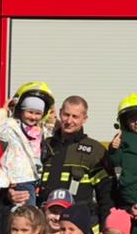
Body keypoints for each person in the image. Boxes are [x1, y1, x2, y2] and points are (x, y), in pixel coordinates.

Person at [38, 95, 113, 225]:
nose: (69, 121)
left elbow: (106, 195)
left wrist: (106, 226)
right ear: (60, 113)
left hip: (78, 224)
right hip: (46, 223)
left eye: (75, 116)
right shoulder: (45, 145)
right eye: (66, 115)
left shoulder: (95, 150)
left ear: (84, 119)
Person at [0, 84, 56, 210]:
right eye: (29, 112)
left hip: (38, 178)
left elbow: (53, 136)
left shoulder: (42, 130)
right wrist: (3, 111)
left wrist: (51, 120)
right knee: (28, 214)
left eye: (38, 113)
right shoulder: (12, 128)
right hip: (21, 179)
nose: (33, 116)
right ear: (21, 110)